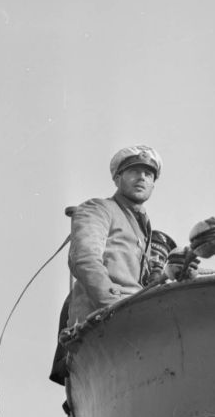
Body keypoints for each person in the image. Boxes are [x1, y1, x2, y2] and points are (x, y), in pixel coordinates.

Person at [50, 145, 170, 385]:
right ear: (118, 178)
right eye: (134, 171)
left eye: (148, 174)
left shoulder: (143, 227)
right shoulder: (99, 209)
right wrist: (114, 305)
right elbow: (84, 259)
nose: (142, 177)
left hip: (136, 322)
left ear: (154, 184)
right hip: (104, 323)